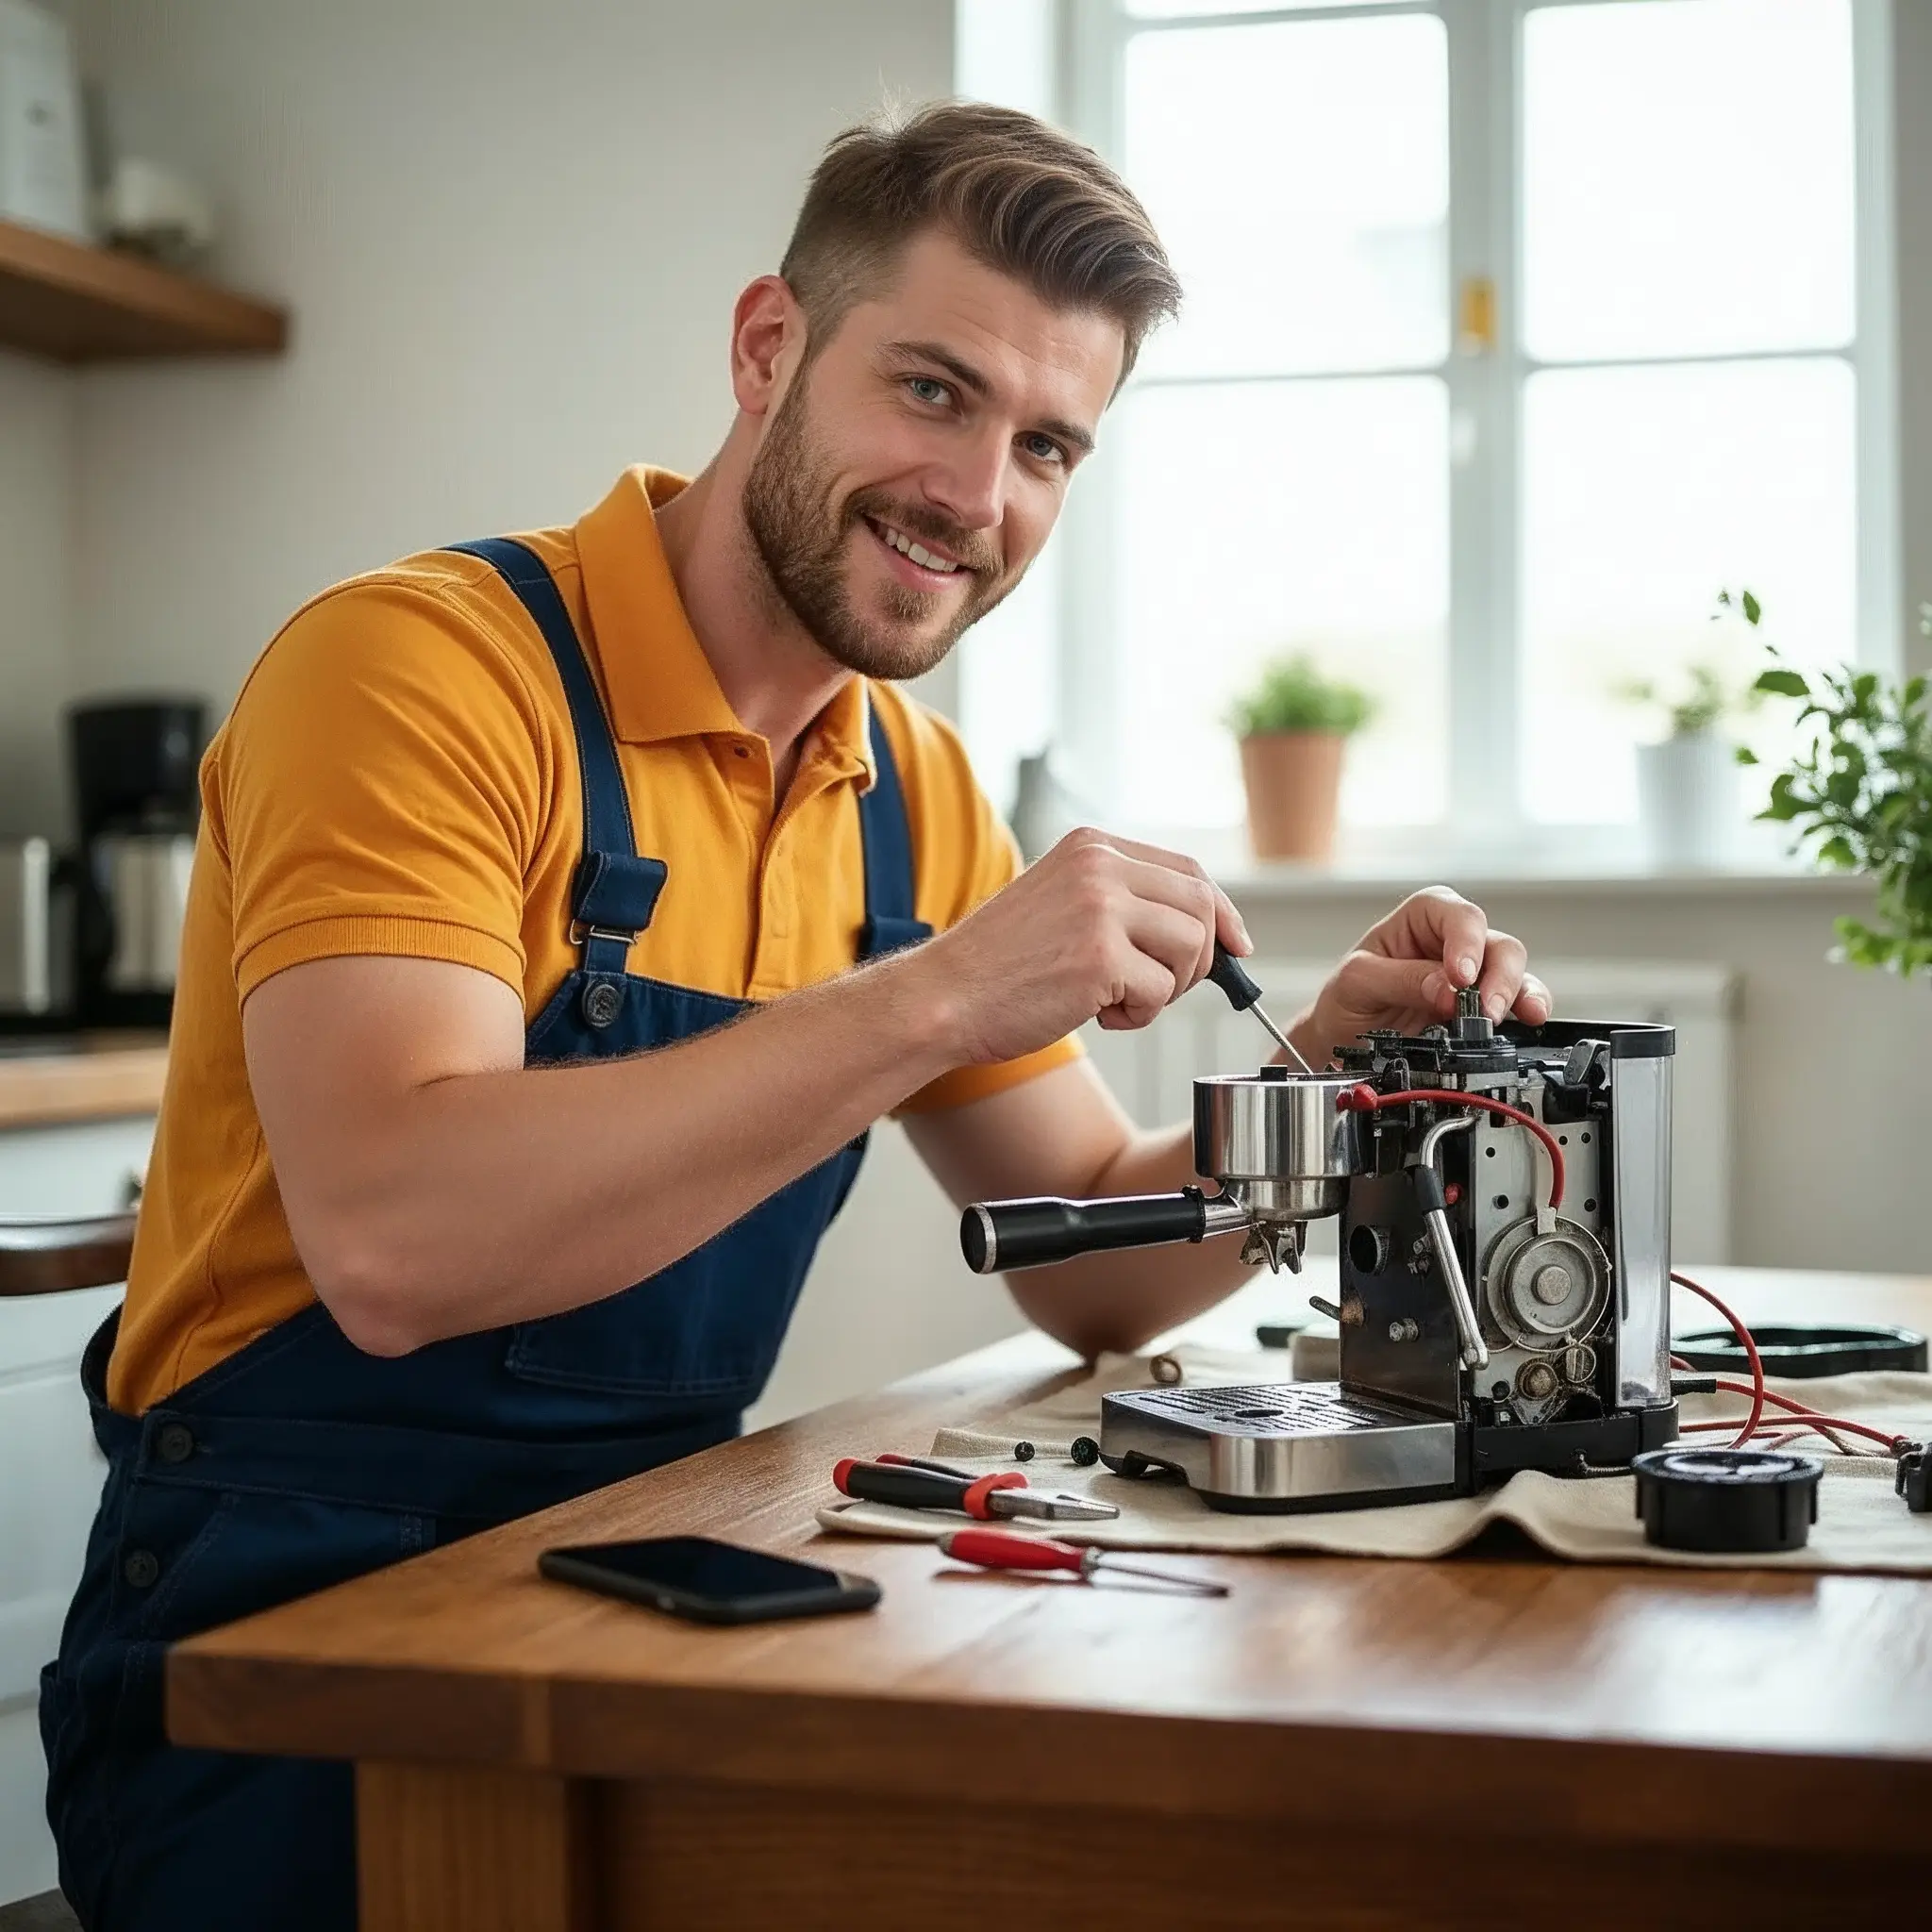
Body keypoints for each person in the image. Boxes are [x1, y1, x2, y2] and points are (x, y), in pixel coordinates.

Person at [42, 100, 1549, 1931]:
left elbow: (1091, 1255)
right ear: (769, 347)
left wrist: (1332, 1065)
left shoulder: (906, 785)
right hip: (272, 1606)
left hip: (640, 1570)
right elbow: (396, 1237)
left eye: (1047, 445)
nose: (977, 498)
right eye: (931, 391)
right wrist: (940, 991)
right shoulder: (420, 672)